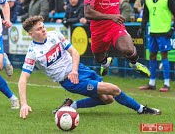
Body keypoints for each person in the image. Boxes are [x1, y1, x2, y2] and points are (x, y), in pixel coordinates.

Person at [18, 16, 161, 119]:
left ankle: (71, 106)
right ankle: (142, 109)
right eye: (39, 29)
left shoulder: (54, 35)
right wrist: (24, 104)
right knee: (114, 89)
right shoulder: (33, 53)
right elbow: (23, 79)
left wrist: (74, 70)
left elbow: (74, 52)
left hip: (79, 69)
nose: (43, 30)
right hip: (69, 80)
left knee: (108, 99)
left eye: (43, 26)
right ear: (31, 34)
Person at [84, 0, 150, 77]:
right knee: (99, 57)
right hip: (98, 29)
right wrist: (111, 16)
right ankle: (105, 63)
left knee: (128, 49)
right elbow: (88, 13)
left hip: (115, 25)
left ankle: (134, 64)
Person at [138, 0, 175, 92]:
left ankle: (167, 84)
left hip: (164, 33)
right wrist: (142, 27)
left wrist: (172, 28)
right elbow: (145, 16)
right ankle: (152, 83)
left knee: (164, 56)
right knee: (152, 56)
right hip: (153, 32)